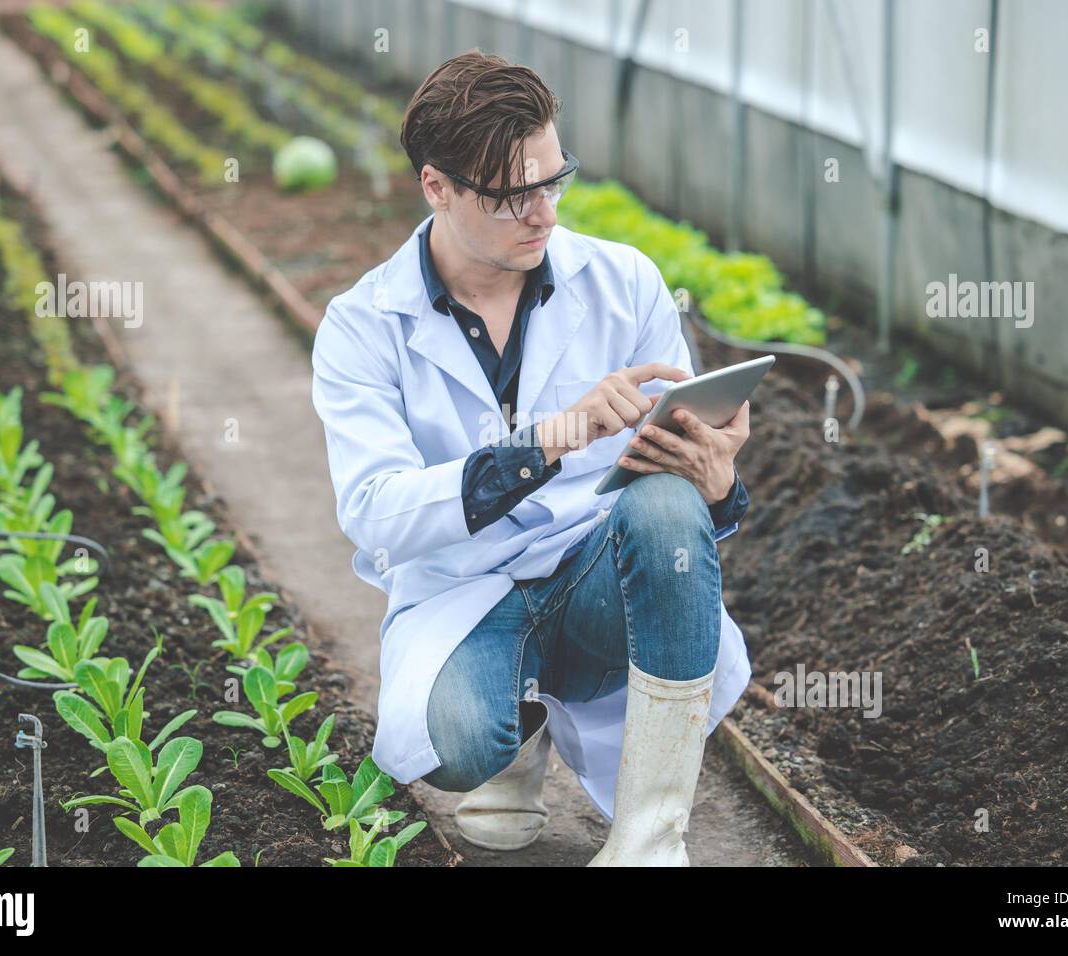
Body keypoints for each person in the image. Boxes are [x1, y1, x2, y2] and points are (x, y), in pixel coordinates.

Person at [310, 50, 754, 866]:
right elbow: (374, 512)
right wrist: (550, 437)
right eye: (512, 194)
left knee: (663, 506)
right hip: (465, 591)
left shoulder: (625, 282)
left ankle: (651, 838)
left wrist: (718, 481)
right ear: (436, 187)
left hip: (592, 583)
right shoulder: (362, 325)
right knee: (457, 742)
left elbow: (684, 500)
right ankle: (516, 739)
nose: (542, 212)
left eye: (553, 180)